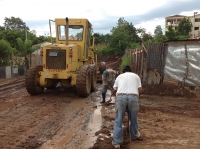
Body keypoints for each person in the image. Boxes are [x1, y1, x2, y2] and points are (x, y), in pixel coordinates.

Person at [112, 66, 142, 148]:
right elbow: (139, 90)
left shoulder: (119, 77)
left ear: (123, 71)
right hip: (133, 97)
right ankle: (134, 136)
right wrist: (135, 99)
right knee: (134, 118)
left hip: (121, 97)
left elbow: (117, 89)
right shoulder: (136, 76)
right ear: (130, 71)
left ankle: (117, 142)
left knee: (118, 119)